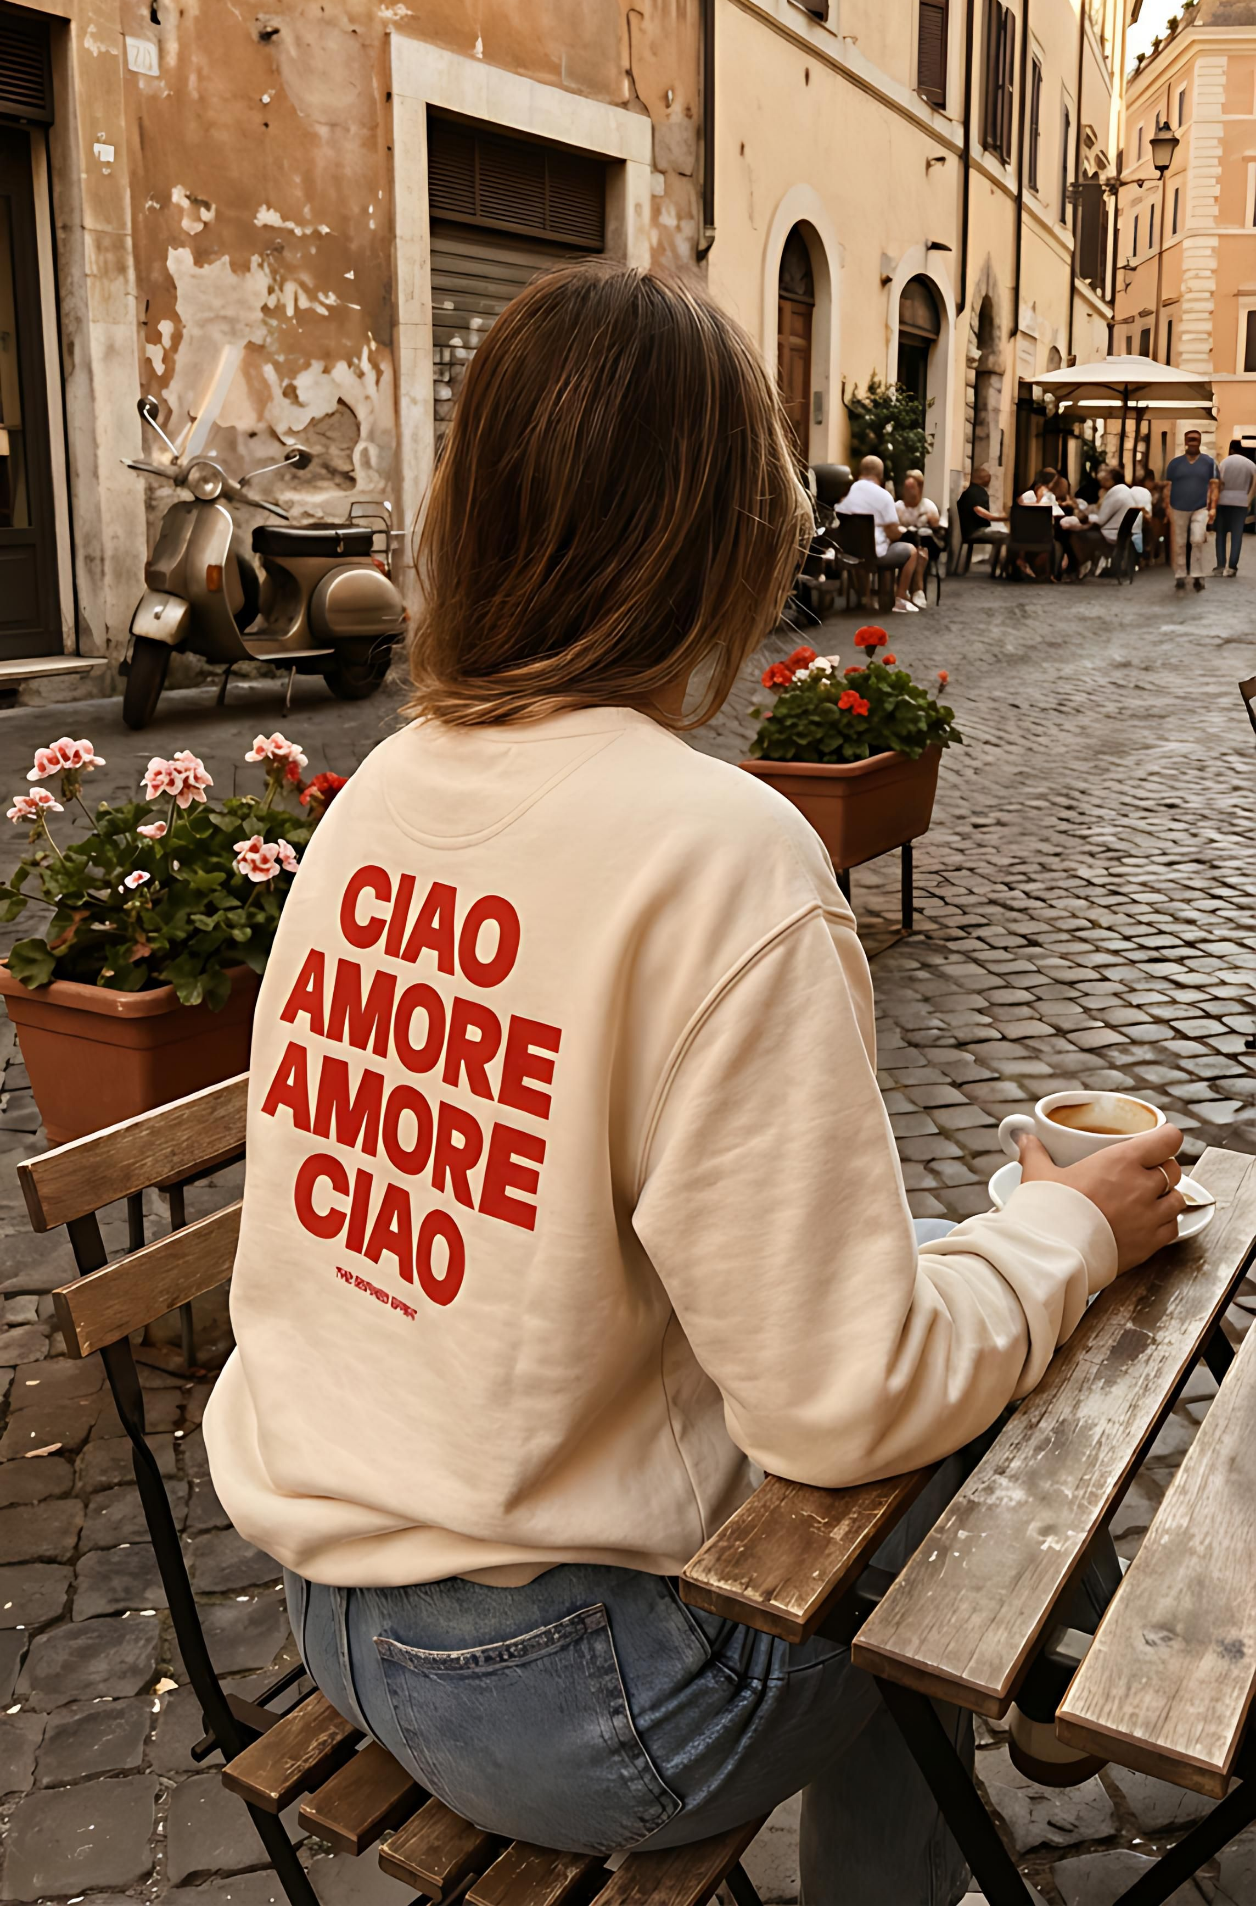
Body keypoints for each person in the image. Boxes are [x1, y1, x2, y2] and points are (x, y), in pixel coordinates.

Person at [202, 262, 1185, 1907]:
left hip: (329, 1605)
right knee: (947, 1465)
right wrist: (1072, 1234)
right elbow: (843, 1404)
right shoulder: (721, 855)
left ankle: (1005, 1708)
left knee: (938, 1294)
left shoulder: (378, 797)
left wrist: (991, 1247)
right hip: (582, 1695)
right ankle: (1009, 1720)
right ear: (730, 538)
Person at [835, 454, 921, 614]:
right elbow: (893, 533)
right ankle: (901, 598)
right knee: (911, 551)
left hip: (849, 551)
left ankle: (863, 597)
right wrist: (900, 530)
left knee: (866, 546)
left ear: (860, 472)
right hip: (875, 554)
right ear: (880, 475)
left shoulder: (848, 494)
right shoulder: (884, 496)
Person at [1165, 428, 1219, 592]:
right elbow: (1168, 486)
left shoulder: (1209, 463)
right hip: (1178, 507)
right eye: (1190, 439)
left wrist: (1213, 508)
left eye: (1196, 439)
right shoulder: (1175, 464)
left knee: (1196, 539)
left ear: (1200, 442)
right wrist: (1167, 506)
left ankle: (1197, 574)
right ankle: (1180, 575)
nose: (1193, 442)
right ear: (1185, 441)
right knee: (1180, 543)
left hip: (1200, 507)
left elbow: (1214, 486)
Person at [895, 468, 941, 608]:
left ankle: (916, 588)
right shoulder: (898, 507)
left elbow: (936, 526)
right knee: (915, 548)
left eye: (911, 488)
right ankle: (918, 589)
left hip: (925, 547)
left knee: (922, 547)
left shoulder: (928, 505)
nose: (908, 492)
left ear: (920, 488)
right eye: (906, 488)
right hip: (905, 547)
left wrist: (928, 518)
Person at [1213, 439, 1256, 576]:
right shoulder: (1250, 464)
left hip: (1223, 500)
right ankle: (1232, 567)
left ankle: (1220, 566)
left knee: (1221, 534)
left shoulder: (1224, 462)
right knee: (1237, 536)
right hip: (1241, 502)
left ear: (1231, 449)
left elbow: (1218, 482)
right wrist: (1248, 499)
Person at [955, 465, 1008, 570]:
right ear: (979, 479)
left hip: (970, 530)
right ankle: (999, 566)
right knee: (1007, 537)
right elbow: (978, 510)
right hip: (975, 531)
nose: (989, 480)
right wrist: (1000, 518)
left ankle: (997, 564)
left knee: (1003, 535)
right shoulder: (975, 492)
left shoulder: (971, 491)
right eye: (986, 477)